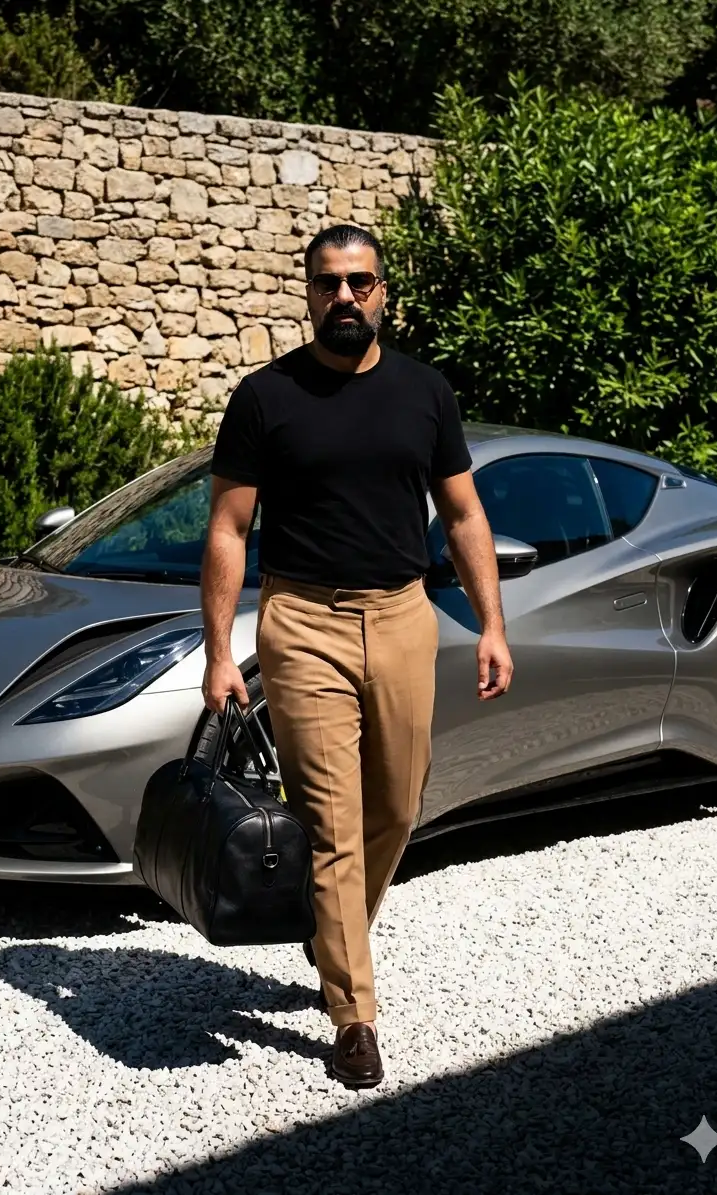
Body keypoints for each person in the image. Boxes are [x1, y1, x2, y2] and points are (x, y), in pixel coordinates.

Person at [199, 223, 513, 1088]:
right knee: (331, 822)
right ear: (309, 293)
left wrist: (491, 623)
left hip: (404, 614)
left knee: (400, 804)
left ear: (383, 293)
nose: (345, 296)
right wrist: (220, 651)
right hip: (302, 622)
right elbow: (227, 528)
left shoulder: (425, 392)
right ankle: (353, 1016)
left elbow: (464, 515)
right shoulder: (265, 397)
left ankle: (331, 928)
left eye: (360, 282)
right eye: (329, 283)